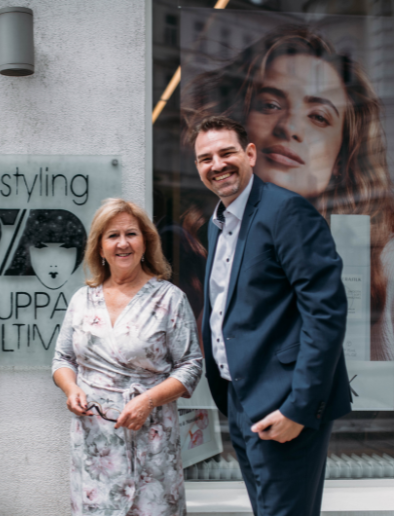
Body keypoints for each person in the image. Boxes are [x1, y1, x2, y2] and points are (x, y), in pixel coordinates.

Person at [183, 25, 394, 360]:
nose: (290, 127)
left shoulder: (382, 264)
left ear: (341, 160)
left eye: (319, 117)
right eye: (270, 105)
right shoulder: (188, 252)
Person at [193, 115, 351, 516]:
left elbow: (325, 313)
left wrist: (300, 408)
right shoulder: (218, 223)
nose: (217, 165)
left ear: (249, 154)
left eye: (226, 153)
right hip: (241, 397)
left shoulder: (286, 211)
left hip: (284, 400)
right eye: (205, 158)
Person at [52, 198, 202, 516]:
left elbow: (191, 366)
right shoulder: (82, 299)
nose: (123, 243)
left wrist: (148, 400)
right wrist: (71, 388)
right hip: (94, 444)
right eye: (113, 236)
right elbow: (63, 359)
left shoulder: (169, 299)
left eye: (131, 234)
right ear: (100, 247)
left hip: (152, 440)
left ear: (145, 242)